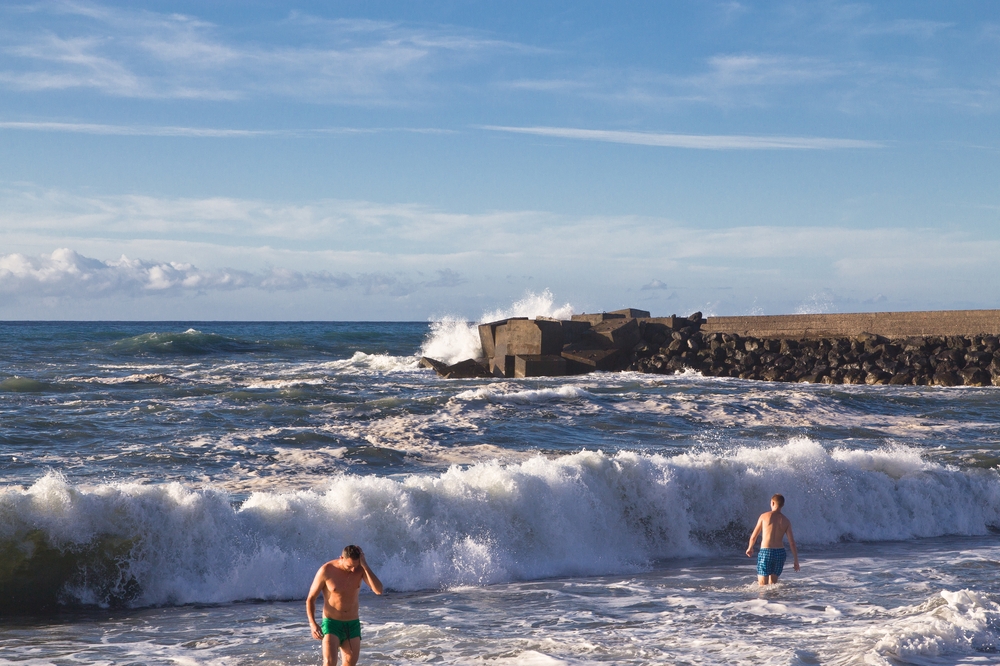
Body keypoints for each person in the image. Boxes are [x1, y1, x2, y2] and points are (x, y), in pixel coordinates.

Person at [307, 545, 384, 666]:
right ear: (341, 558)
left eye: (356, 565)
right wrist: (312, 624)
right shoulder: (326, 570)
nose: (353, 569)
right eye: (350, 566)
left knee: (349, 664)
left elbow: (378, 590)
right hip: (332, 623)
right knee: (329, 662)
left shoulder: (360, 569)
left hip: (352, 625)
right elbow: (311, 599)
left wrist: (365, 565)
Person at [746, 494, 800, 586]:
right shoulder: (786, 520)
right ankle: (774, 600)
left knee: (763, 586)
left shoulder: (764, 516)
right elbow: (792, 543)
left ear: (772, 503)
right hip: (780, 553)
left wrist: (750, 548)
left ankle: (764, 600)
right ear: (782, 505)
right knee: (773, 585)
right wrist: (796, 560)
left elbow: (753, 536)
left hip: (766, 552)